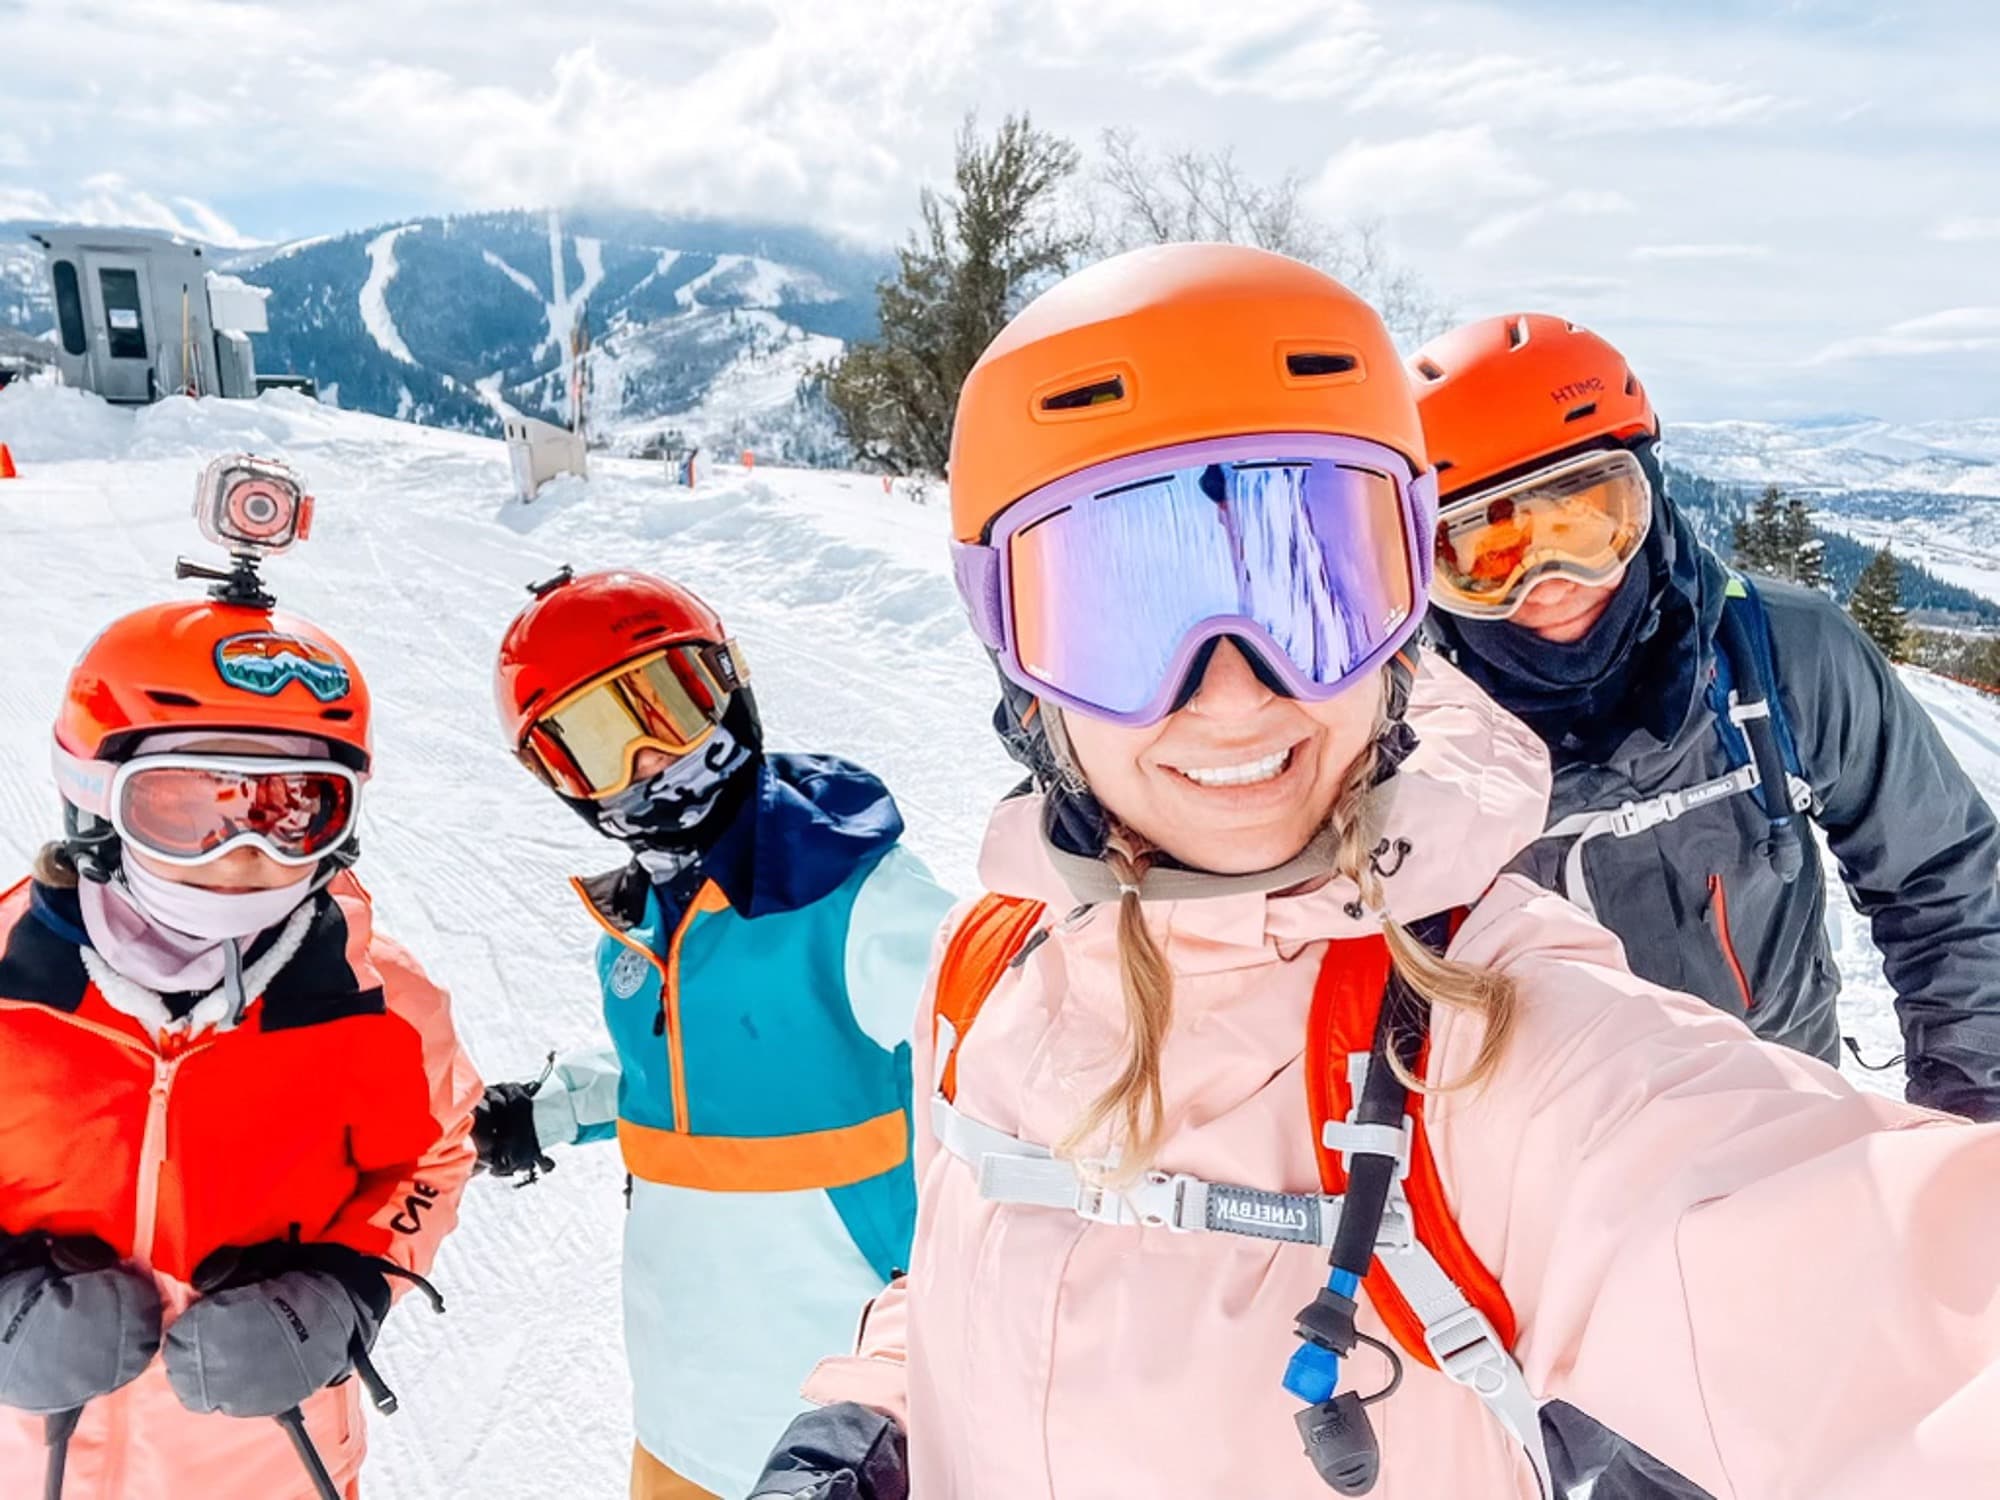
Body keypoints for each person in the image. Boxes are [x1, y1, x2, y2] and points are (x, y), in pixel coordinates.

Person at [747, 244, 2000, 1500]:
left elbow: (1903, 1315)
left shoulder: (1486, 1041)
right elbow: (997, 1267)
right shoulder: (984, 974)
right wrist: (880, 1423)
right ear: (1013, 656)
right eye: (1122, 609)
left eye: (1308, 593)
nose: (1232, 696)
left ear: (1395, 630)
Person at [1409, 313, 2000, 1121]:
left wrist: (1973, 1112)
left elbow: (1946, 878)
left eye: (1586, 526)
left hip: (1784, 1118)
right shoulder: (1407, 736)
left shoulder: (1784, 655)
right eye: (1486, 556)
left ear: (1646, 498)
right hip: (1547, 1174)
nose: (1546, 581)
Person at [475, 567, 955, 1500]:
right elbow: (683, 1078)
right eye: (597, 747)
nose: (652, 761)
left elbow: (1020, 1054)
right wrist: (555, 1109)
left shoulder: (854, 902)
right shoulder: (647, 927)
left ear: (729, 683)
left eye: (669, 704)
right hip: (677, 1417)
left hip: (840, 1434)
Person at [0, 593, 481, 1499]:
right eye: (190, 807)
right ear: (97, 799)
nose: (245, 849)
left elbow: (433, 1159)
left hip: (267, 1463)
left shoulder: (375, 1002)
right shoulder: (9, 989)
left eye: (297, 808)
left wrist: (342, 1295)